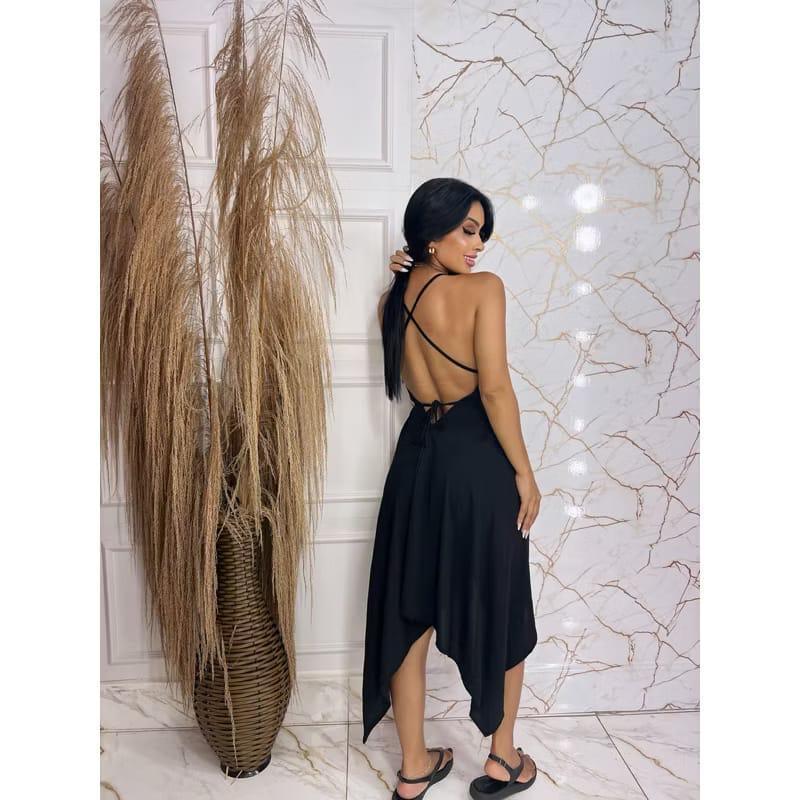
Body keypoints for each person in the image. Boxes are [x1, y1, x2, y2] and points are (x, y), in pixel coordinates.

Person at [362, 177, 541, 800]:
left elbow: (409, 378)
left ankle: (414, 765)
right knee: (502, 599)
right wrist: (525, 471)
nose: (479, 245)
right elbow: (494, 388)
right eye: (467, 230)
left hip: (416, 462)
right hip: (475, 463)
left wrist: (411, 270)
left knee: (408, 610)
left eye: (481, 233)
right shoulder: (483, 290)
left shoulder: (389, 304)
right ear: (430, 233)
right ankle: (503, 757)